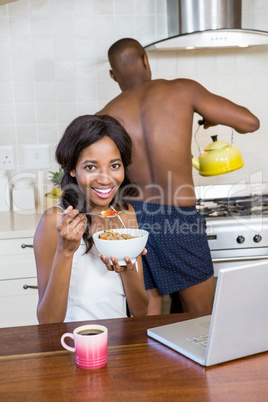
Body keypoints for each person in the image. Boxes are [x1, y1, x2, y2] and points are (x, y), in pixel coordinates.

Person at [96, 38, 260, 316]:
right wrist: (211, 115)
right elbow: (250, 122)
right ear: (145, 60)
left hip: (133, 220)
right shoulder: (183, 89)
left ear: (112, 75)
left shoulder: (104, 117)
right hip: (179, 218)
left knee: (146, 323)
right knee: (201, 318)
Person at [34, 114, 148, 324]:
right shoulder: (55, 222)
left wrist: (128, 269)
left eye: (114, 165)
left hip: (120, 343)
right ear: (72, 169)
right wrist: (66, 251)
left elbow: (141, 311)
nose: (105, 179)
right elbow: (47, 321)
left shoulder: (126, 215)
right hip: (72, 344)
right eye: (90, 167)